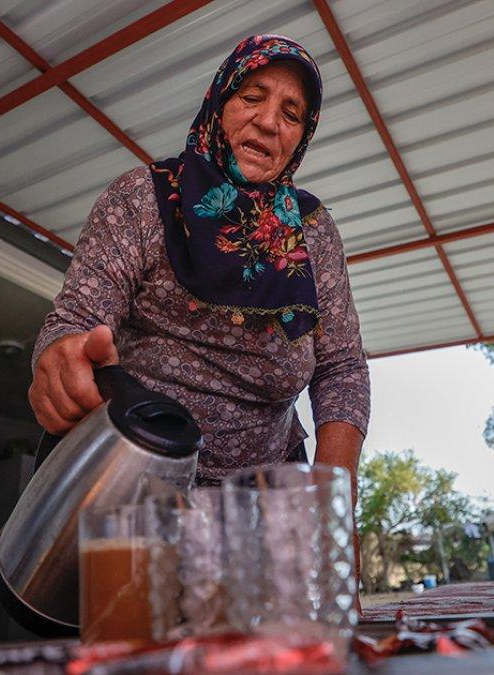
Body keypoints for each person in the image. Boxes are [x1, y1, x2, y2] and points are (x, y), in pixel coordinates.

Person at [28, 35, 369, 494]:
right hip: (129, 478)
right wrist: (60, 356)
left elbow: (341, 368)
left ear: (301, 138)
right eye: (252, 97)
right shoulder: (142, 198)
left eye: (292, 115)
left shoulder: (313, 232)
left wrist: (335, 504)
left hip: (263, 499)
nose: (269, 122)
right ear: (219, 102)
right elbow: (75, 323)